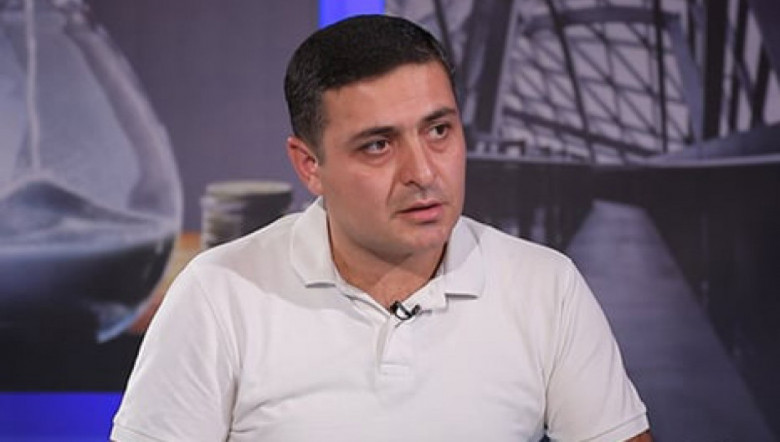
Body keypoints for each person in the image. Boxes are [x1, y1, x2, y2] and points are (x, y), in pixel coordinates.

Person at [111, 14, 651, 441]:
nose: (423, 172)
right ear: (309, 165)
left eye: (438, 131)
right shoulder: (217, 293)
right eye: (378, 145)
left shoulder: (547, 286)